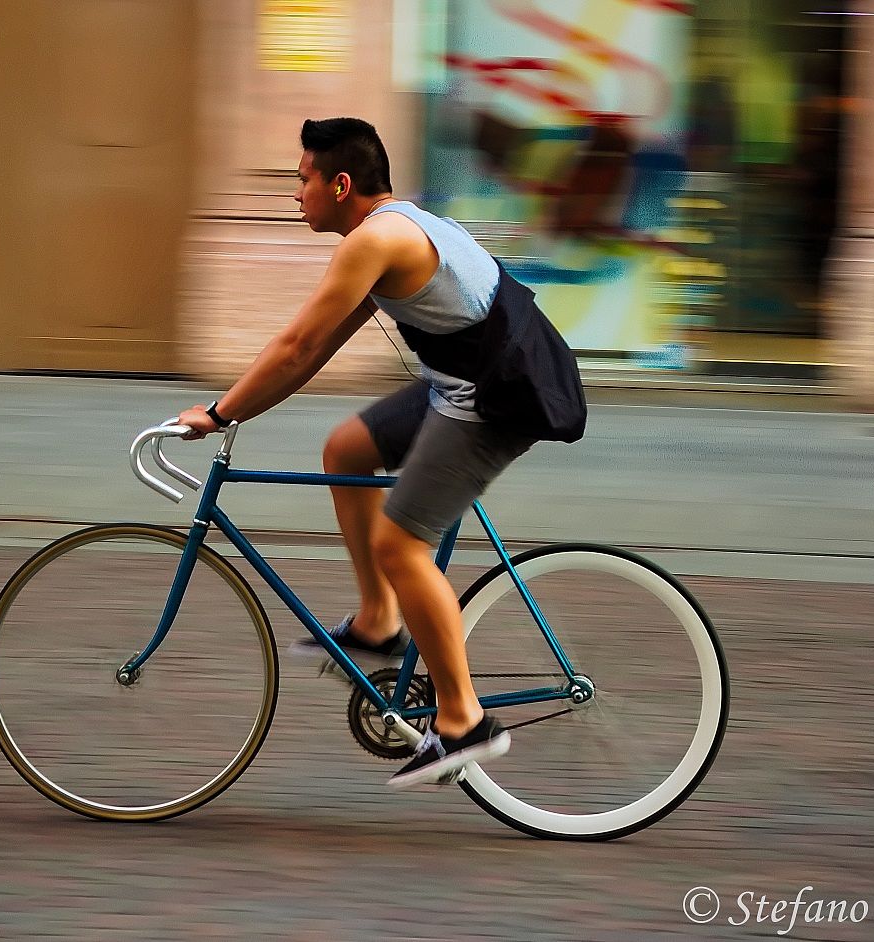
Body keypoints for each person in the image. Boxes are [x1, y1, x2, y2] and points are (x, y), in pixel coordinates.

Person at [178, 117, 586, 788]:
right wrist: (238, 408)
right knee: (346, 449)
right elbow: (314, 353)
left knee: (401, 545)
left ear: (341, 185)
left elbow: (296, 346)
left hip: (499, 395)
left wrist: (220, 412)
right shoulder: (391, 230)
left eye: (302, 180)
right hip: (461, 381)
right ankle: (378, 621)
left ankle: (463, 720)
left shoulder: (379, 239)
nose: (296, 194)